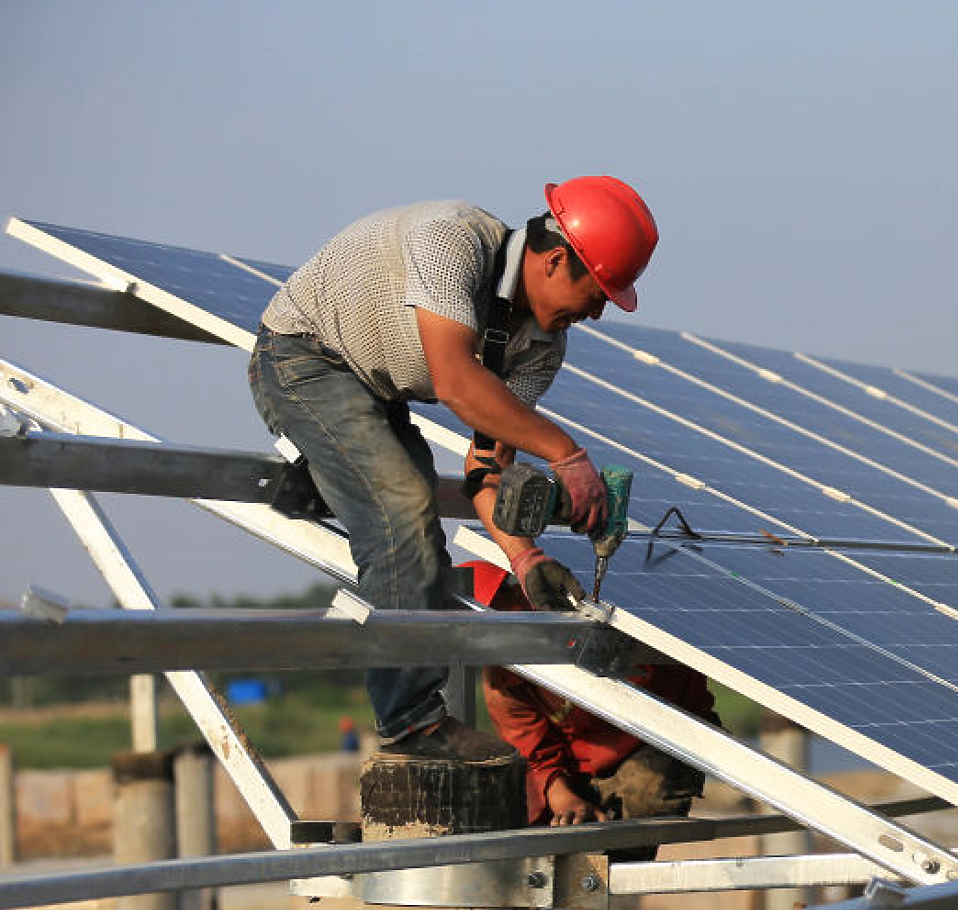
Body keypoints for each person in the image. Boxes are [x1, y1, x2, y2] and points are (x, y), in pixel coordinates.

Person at [248, 177, 657, 763]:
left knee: (408, 507)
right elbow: (455, 380)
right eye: (597, 292)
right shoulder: (455, 242)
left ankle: (326, 472)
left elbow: (487, 465)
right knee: (401, 506)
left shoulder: (540, 346)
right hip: (303, 357)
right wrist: (567, 455)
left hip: (372, 393)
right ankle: (410, 725)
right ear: (555, 261)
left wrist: (525, 557)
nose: (596, 312)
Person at [469, 561, 713, 832]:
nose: (501, 618)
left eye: (506, 599)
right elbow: (536, 756)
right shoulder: (505, 681)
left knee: (649, 790)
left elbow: (668, 690)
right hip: (577, 774)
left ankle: (620, 864)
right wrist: (567, 802)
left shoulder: (607, 619)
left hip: (659, 741)